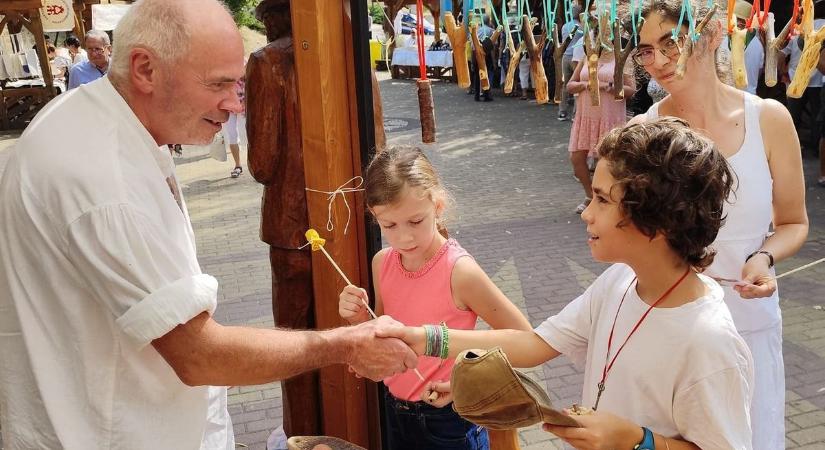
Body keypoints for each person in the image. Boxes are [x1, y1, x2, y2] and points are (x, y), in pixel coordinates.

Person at [0, 1, 417, 449]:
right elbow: (199, 354)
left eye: (237, 84)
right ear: (145, 69)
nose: (235, 104)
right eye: (219, 84)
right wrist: (346, 344)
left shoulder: (107, 126)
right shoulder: (103, 178)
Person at [382, 118, 754, 449]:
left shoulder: (709, 342)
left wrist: (637, 441)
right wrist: (426, 338)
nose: (586, 213)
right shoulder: (619, 282)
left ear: (655, 220)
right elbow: (535, 344)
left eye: (602, 200)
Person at [629, 1, 809, 448]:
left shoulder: (768, 119)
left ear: (709, 36)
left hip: (749, 322)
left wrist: (764, 257)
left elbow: (793, 222)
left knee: (754, 437)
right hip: (672, 324)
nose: (660, 62)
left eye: (672, 43)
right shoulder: (643, 132)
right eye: (646, 50)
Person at [339, 146, 532, 450]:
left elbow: (524, 338)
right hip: (394, 409)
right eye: (389, 225)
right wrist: (360, 318)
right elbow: (385, 329)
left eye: (415, 221)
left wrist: (467, 381)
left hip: (449, 420)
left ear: (438, 205)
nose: (404, 237)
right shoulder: (382, 262)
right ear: (374, 217)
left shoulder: (459, 271)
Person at [566, 4, 635, 214]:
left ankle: (608, 199)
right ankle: (591, 195)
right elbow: (570, 85)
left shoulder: (622, 57)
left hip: (609, 117)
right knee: (577, 159)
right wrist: (587, 85)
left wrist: (615, 89)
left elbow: (632, 89)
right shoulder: (589, 56)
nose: (602, 35)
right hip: (586, 116)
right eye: (599, 31)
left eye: (607, 31)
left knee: (607, 163)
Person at [558, 4, 583, 119]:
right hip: (576, 58)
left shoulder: (564, 26)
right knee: (576, 84)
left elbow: (564, 42)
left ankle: (562, 111)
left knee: (565, 85)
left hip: (565, 57)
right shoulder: (581, 27)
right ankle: (575, 113)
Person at [223, 76, 245, 178]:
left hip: (244, 104)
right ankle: (238, 165)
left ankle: (257, 163)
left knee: (249, 134)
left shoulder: (243, 64)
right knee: (232, 136)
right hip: (228, 106)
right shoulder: (222, 67)